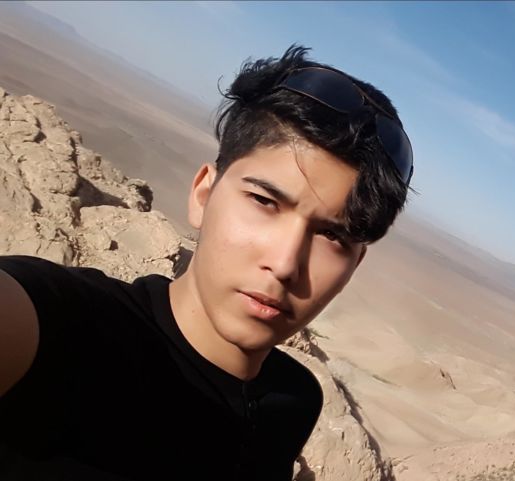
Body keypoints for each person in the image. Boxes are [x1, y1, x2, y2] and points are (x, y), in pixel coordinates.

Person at [0, 45, 413, 481]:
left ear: (354, 265)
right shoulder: (67, 328)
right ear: (203, 195)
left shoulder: (295, 399)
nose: (285, 263)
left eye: (333, 236)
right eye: (264, 201)